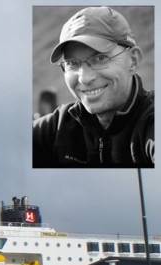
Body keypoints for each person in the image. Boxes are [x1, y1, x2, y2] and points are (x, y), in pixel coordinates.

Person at [33, 6, 154, 168]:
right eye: (72, 63)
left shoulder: (152, 122)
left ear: (133, 61)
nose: (84, 78)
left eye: (100, 58)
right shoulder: (57, 127)